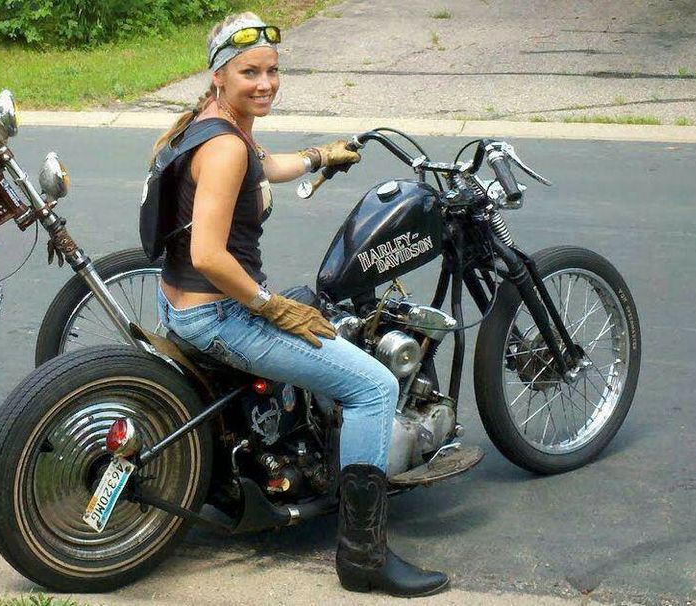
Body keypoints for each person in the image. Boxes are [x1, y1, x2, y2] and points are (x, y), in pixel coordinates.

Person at [152, 12, 449, 597]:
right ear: (219, 76)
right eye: (249, 73)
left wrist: (319, 155)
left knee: (318, 304)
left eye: (272, 71)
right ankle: (364, 555)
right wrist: (269, 306)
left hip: (182, 306)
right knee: (374, 387)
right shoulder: (225, 149)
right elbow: (210, 253)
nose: (264, 83)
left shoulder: (207, 127)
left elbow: (265, 166)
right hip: (220, 316)